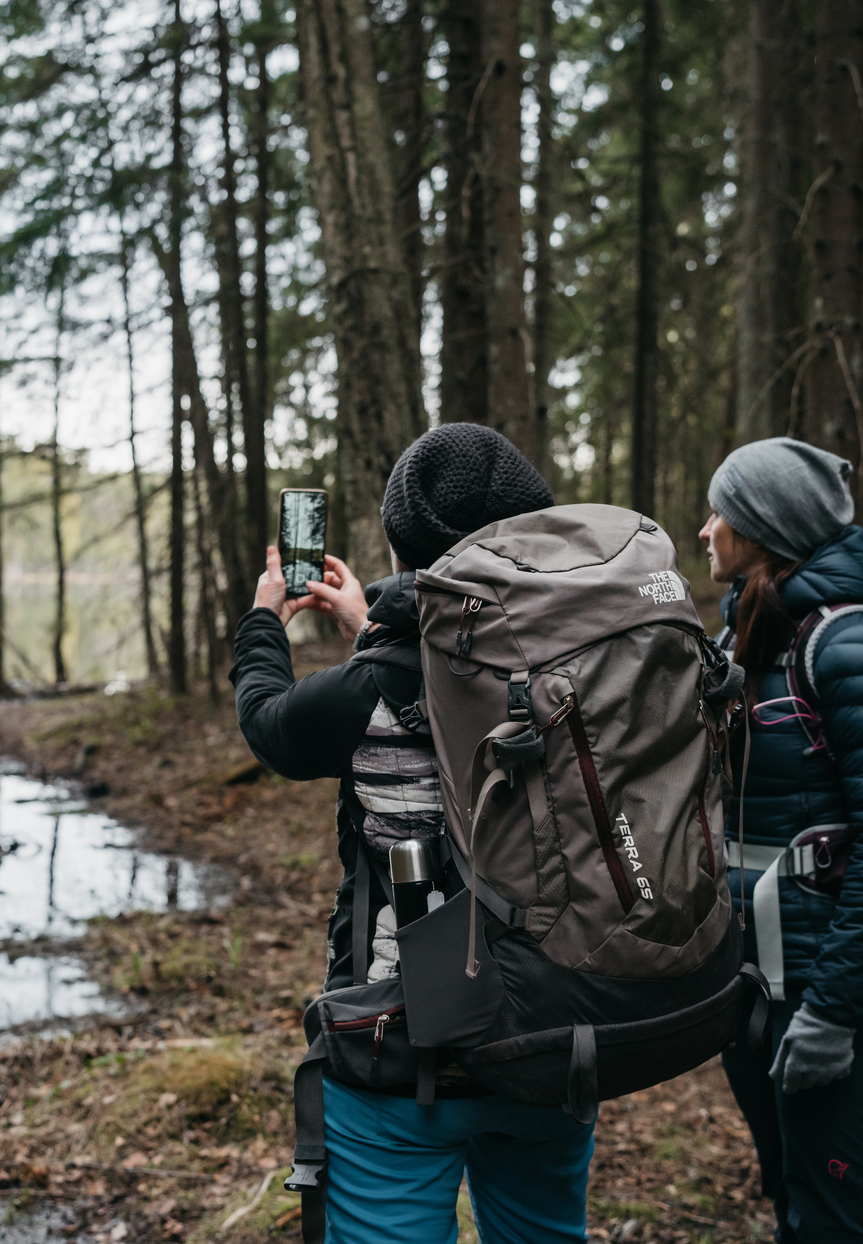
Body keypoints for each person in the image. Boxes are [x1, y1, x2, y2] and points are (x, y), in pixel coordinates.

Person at [230, 424, 595, 1244]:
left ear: (402, 550)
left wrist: (264, 619)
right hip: (555, 1031)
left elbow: (268, 722)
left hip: (397, 1047)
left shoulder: (371, 689)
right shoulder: (591, 664)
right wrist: (376, 623)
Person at [702, 438, 863, 1244]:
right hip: (757, 984)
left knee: (836, 1218)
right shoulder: (753, 641)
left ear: (764, 526)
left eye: (720, 511)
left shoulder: (855, 646)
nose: (705, 529)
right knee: (793, 1198)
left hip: (837, 991)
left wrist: (833, 1012)